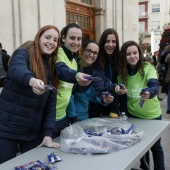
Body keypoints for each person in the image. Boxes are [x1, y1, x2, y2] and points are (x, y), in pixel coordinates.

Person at [0, 25, 61, 164]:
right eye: (47, 37)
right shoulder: (24, 53)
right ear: (38, 38)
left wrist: (47, 134)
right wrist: (32, 80)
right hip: (7, 129)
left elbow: (50, 106)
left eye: (55, 40)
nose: (51, 42)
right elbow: (16, 68)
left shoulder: (51, 65)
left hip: (33, 133)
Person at [117, 40, 165, 170]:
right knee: (141, 148)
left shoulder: (147, 68)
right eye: (128, 54)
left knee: (156, 147)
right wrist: (123, 114)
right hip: (134, 117)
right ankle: (145, 167)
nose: (132, 56)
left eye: (135, 53)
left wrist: (150, 92)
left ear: (139, 53)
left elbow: (154, 85)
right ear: (124, 56)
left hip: (152, 116)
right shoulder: (122, 74)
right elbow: (122, 98)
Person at [53, 23, 91, 138]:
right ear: (63, 38)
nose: (76, 42)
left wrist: (72, 116)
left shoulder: (74, 62)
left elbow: (69, 93)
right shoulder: (58, 52)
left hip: (63, 116)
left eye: (79, 39)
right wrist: (77, 75)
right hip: (49, 116)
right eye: (72, 38)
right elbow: (60, 70)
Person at [67, 40, 117, 122]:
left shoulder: (94, 73)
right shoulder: (71, 65)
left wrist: (104, 99)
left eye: (95, 53)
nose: (91, 55)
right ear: (83, 50)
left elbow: (100, 89)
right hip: (63, 116)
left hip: (81, 117)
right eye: (89, 51)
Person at [89, 28, 123, 118]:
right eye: (107, 41)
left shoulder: (120, 59)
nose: (110, 45)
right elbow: (100, 82)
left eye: (113, 41)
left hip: (114, 104)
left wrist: (115, 108)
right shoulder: (96, 59)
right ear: (102, 42)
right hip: (97, 102)